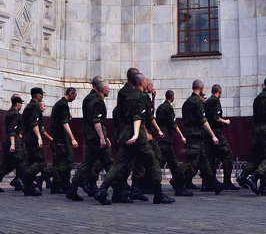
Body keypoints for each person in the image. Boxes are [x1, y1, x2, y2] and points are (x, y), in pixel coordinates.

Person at [95, 74, 172, 205]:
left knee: (118, 164)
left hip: (125, 134)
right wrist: (136, 135)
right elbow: (139, 117)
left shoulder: (128, 96)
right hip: (138, 137)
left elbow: (143, 115)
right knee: (153, 161)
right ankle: (158, 194)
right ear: (142, 82)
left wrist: (157, 129)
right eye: (146, 81)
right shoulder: (141, 97)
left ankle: (102, 190)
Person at [67, 77, 111, 201]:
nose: (109, 90)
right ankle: (113, 191)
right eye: (107, 88)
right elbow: (96, 121)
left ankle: (73, 187)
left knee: (87, 163)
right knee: (110, 163)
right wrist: (103, 137)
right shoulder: (97, 101)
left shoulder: (88, 99)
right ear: (102, 88)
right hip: (96, 136)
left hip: (90, 134)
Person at [180, 78, 220, 193]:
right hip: (195, 135)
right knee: (190, 162)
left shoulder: (186, 102)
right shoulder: (197, 101)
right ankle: (178, 180)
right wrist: (213, 135)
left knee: (204, 161)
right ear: (201, 88)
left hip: (191, 133)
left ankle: (213, 183)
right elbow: (203, 120)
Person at [156, 89, 189, 196]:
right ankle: (177, 187)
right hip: (167, 139)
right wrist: (182, 137)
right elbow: (173, 124)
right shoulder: (168, 108)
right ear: (172, 97)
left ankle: (178, 186)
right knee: (165, 163)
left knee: (170, 163)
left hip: (162, 138)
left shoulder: (160, 108)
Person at [0, 95, 26, 193]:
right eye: (21, 103)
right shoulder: (15, 114)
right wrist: (13, 144)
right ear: (17, 103)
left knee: (6, 163)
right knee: (22, 161)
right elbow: (12, 130)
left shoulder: (9, 112)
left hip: (7, 140)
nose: (21, 105)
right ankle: (19, 181)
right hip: (12, 140)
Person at [205, 84, 238, 190]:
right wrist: (225, 121)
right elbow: (215, 117)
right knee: (227, 154)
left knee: (213, 157)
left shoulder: (207, 101)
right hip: (216, 132)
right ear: (219, 91)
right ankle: (227, 182)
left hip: (209, 133)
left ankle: (209, 182)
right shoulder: (215, 101)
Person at [49, 88, 78, 193]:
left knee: (63, 161)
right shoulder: (63, 104)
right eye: (74, 96)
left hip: (59, 136)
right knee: (68, 161)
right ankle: (47, 177)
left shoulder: (60, 104)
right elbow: (64, 123)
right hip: (61, 137)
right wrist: (73, 139)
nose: (74, 99)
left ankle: (63, 183)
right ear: (70, 94)